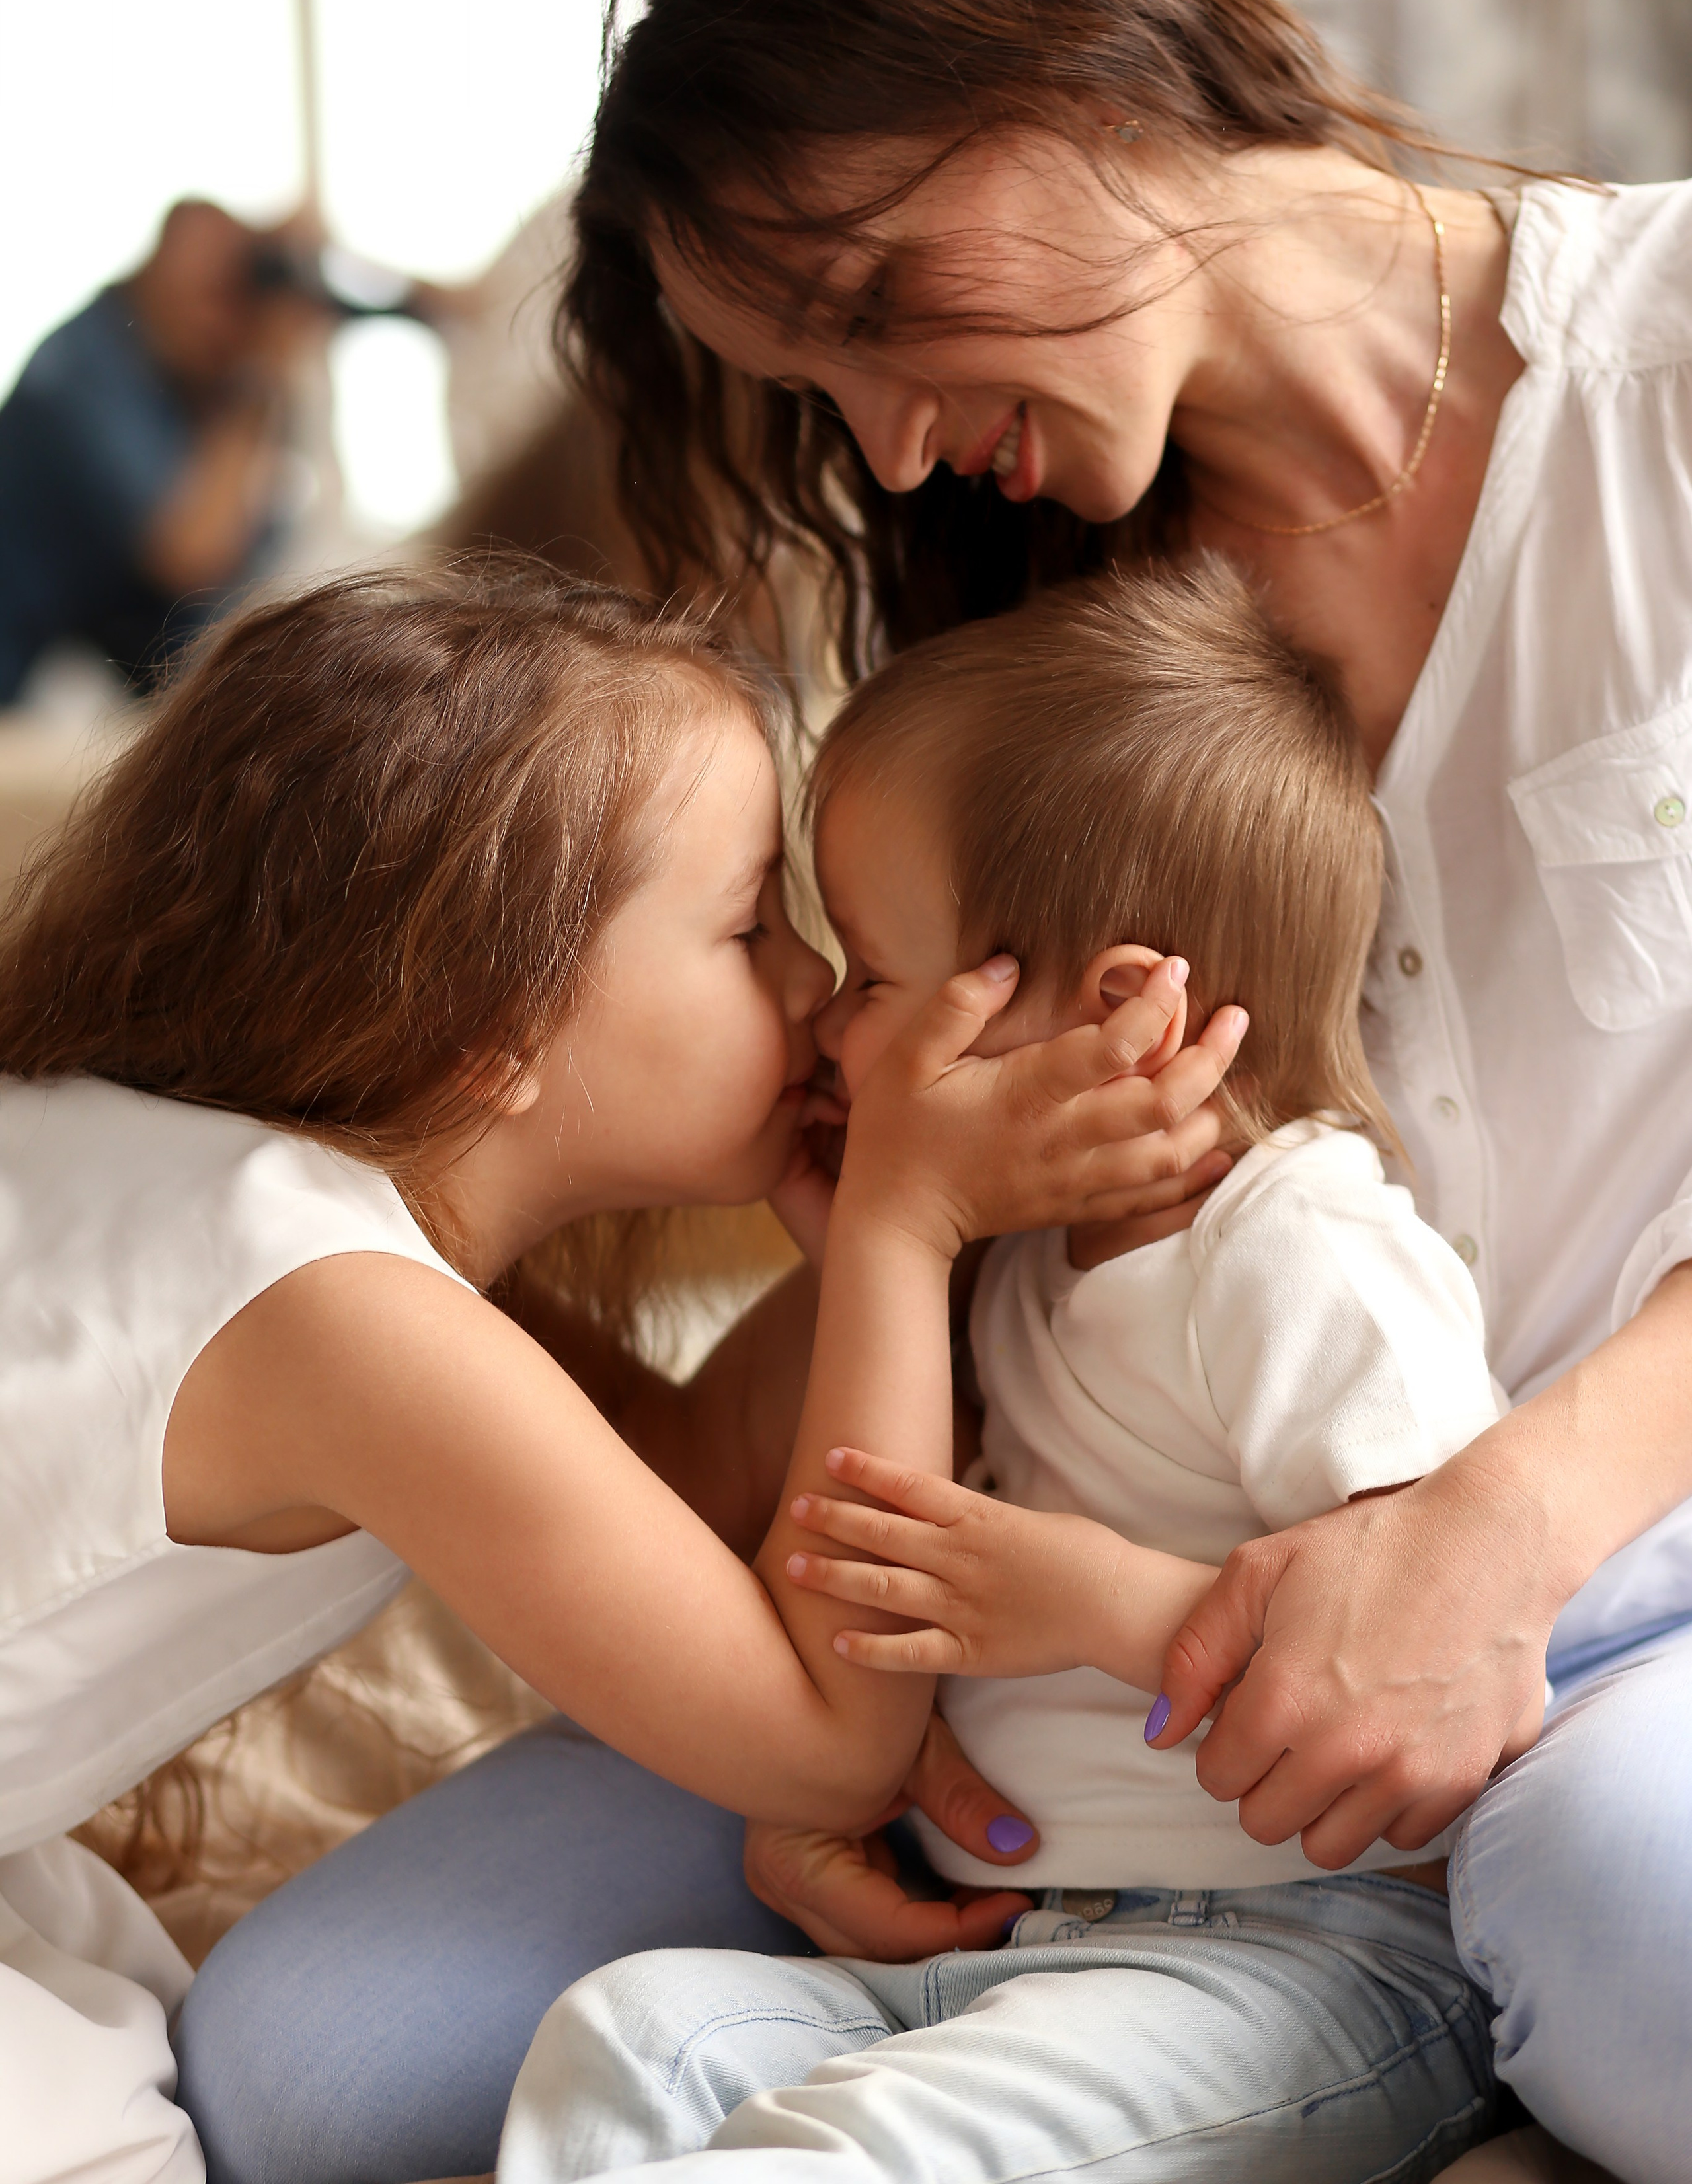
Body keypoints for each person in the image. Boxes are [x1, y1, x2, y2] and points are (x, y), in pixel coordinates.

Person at [539, 0, 1692, 2183]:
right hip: (1135, 1681)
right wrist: (818, 1716)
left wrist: (1483, 1534)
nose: (883, 435)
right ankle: (1255, 2003)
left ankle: (1340, 2002)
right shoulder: (1013, 601)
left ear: (1068, 64)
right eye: (805, 386)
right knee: (324, 2056)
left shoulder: (1658, 381)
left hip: (1610, 1579)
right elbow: (983, 1275)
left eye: (870, 311)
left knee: (1626, 1932)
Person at [0, 555, 1231, 2184]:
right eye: (742, 927)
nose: (808, 983)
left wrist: (878, 1221)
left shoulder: (251, 1187)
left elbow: (686, 1471)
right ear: (481, 1028)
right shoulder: (341, 1316)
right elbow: (827, 1740)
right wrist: (897, 1230)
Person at [499, 560, 1525, 2184]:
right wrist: (874, 1246)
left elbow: (1429, 1699)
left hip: (1299, 1963)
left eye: (877, 977)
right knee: (635, 2033)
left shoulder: (1300, 1249)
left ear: (1116, 1010)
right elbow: (841, 1566)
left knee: (851, 2147)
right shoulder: (1019, 1258)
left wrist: (1089, 1598)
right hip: (1018, 1944)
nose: (828, 1023)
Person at [0, 200, 327, 702]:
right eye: (215, 295)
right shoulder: (74, 376)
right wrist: (259, 382)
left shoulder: (176, 383)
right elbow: (188, 553)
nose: (225, 322)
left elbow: (227, 600)